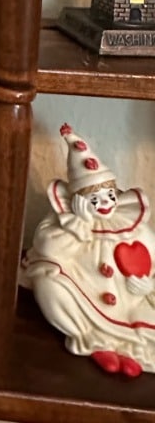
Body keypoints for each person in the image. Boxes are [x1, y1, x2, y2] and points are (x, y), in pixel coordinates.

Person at [21, 123, 155, 377]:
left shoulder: (130, 223)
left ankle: (129, 350)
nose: (105, 203)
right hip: (85, 295)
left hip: (128, 301)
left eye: (109, 195)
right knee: (47, 283)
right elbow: (48, 249)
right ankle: (93, 341)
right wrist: (79, 224)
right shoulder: (64, 221)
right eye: (95, 199)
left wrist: (149, 286)